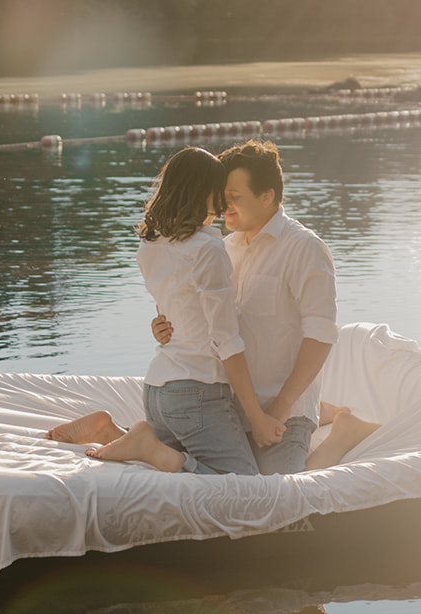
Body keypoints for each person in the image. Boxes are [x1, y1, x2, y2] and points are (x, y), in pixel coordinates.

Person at [46, 146, 283, 473]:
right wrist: (256, 415)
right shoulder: (208, 248)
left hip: (158, 390)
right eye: (219, 188)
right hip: (196, 392)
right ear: (203, 190)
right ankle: (143, 444)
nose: (226, 199)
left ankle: (111, 433)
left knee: (167, 464)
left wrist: (159, 326)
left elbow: (172, 313)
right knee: (243, 483)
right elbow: (225, 339)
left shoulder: (150, 244)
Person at [158, 140, 378, 473]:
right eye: (221, 195)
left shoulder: (305, 248)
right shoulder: (218, 248)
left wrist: (282, 407)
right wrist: (163, 326)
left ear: (267, 196)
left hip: (281, 410)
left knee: (277, 490)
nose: (223, 205)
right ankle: (326, 410)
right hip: (226, 407)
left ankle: (340, 433)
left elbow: (320, 335)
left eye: (234, 197)